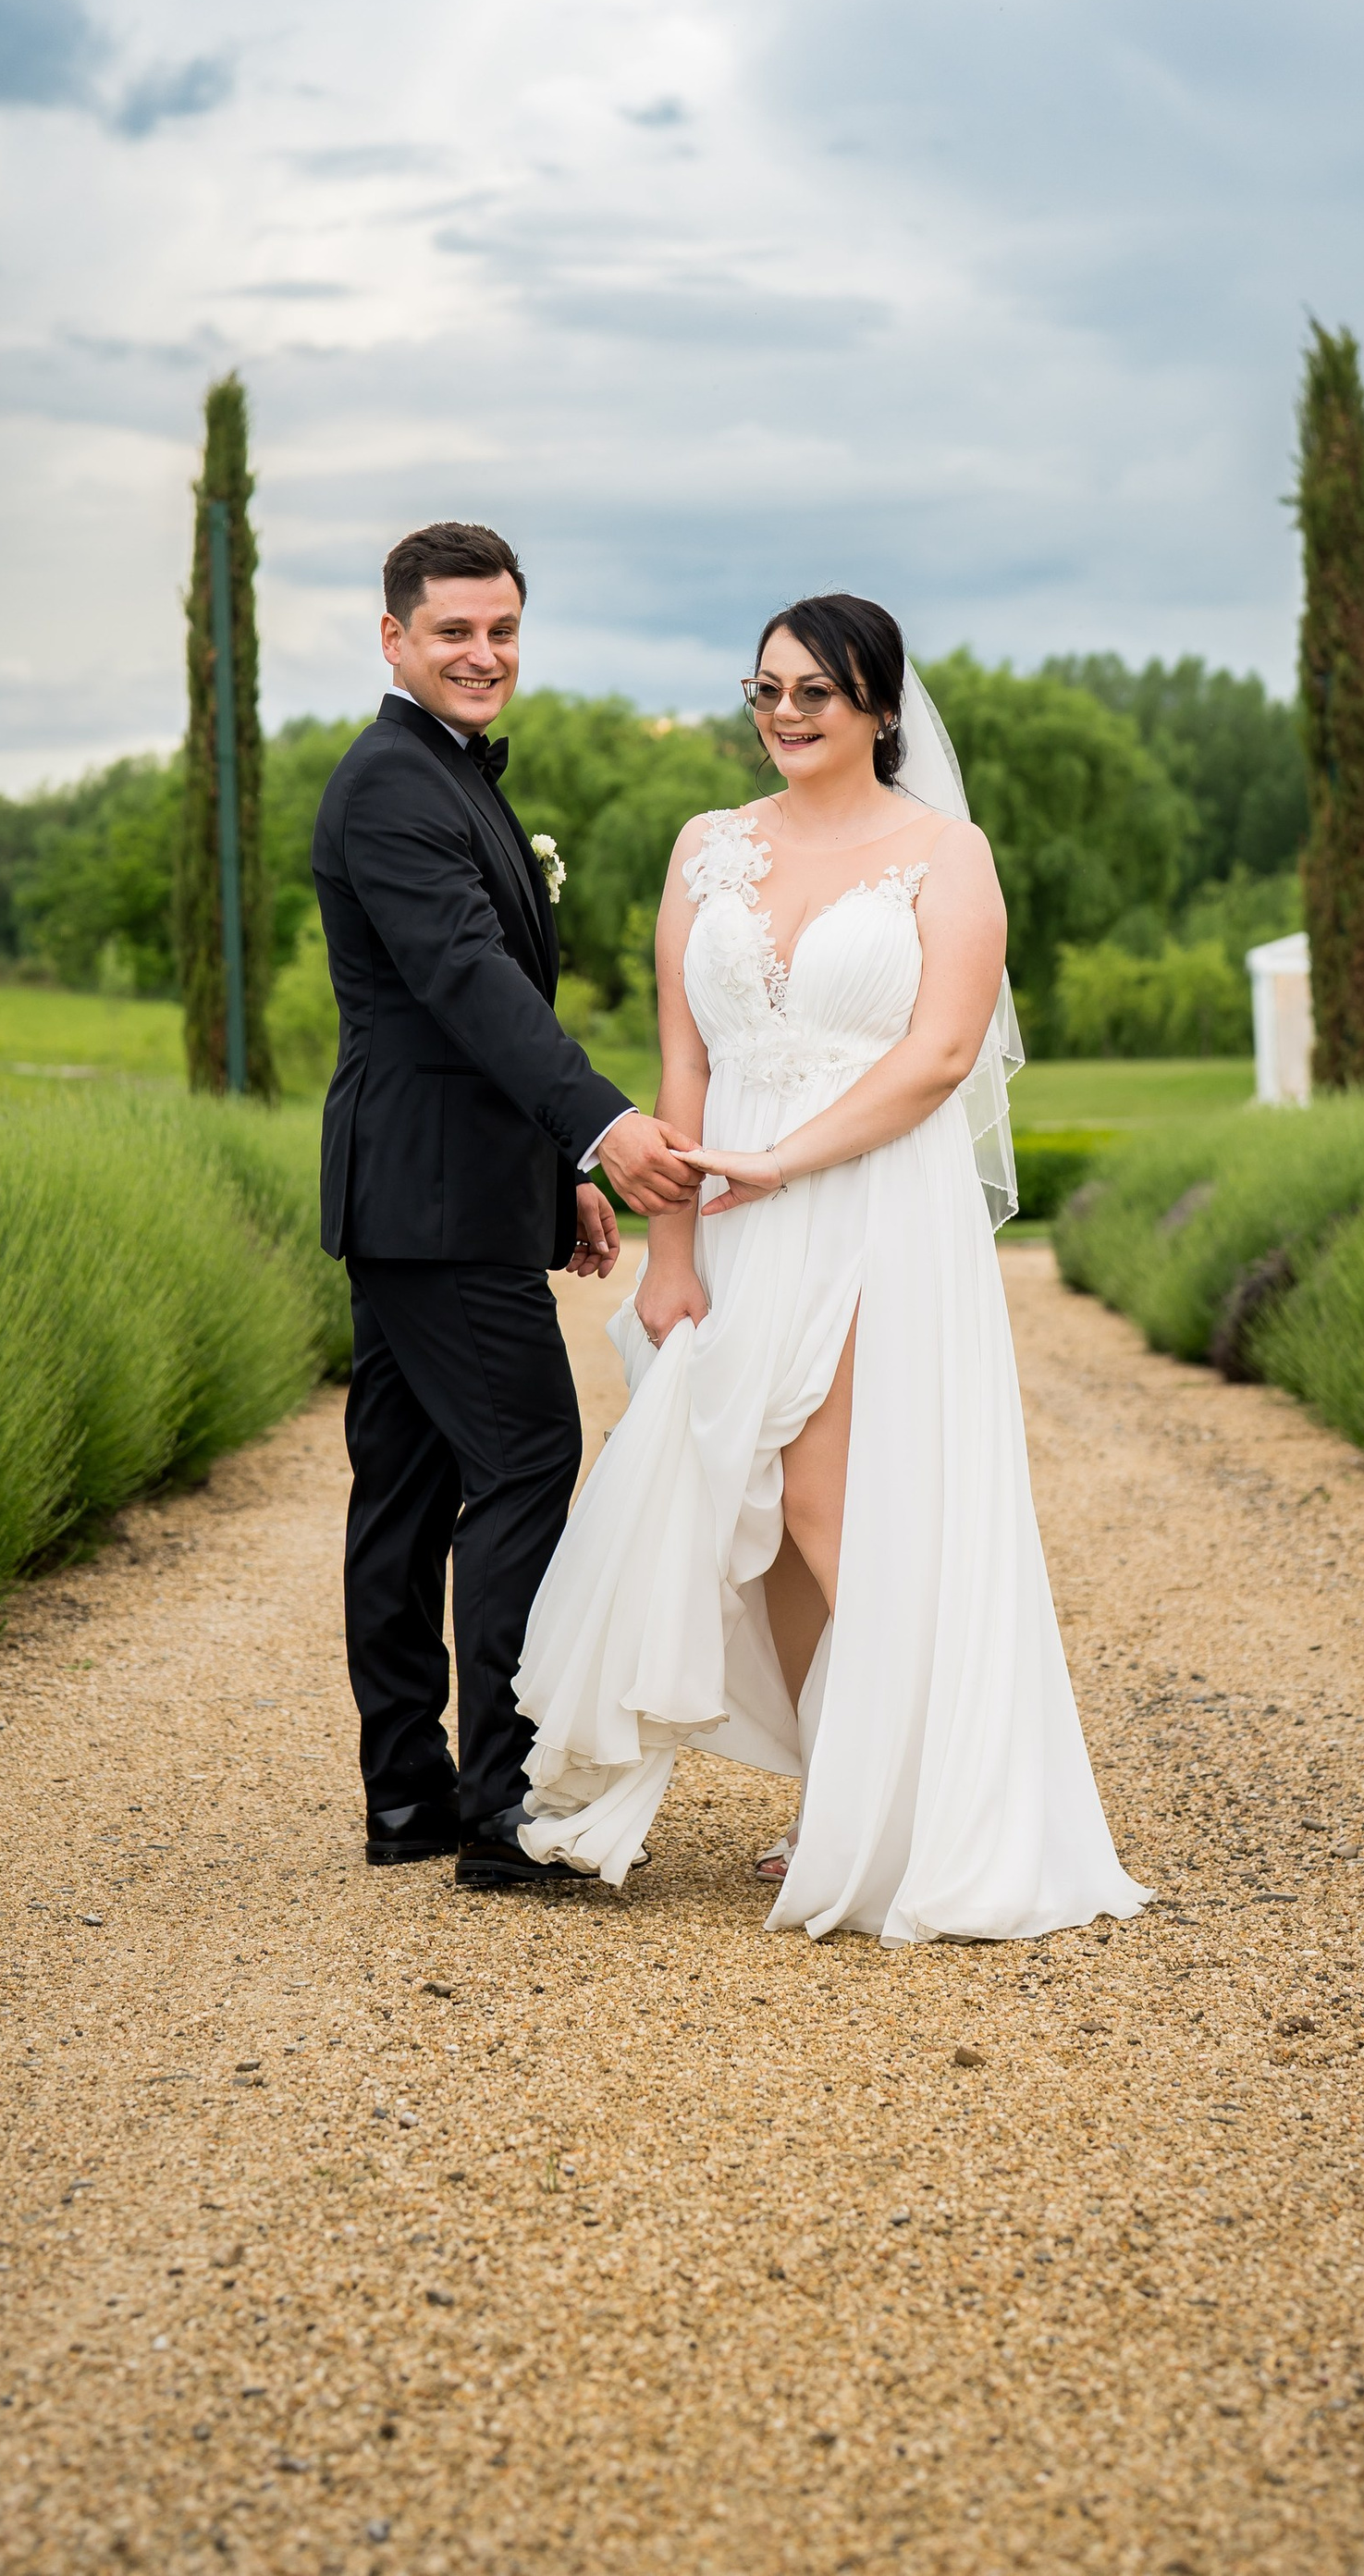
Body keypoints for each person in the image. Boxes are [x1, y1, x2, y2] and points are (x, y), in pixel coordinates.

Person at [513, 592, 1149, 1944]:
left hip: (871, 1199)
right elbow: (684, 1058)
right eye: (767, 692)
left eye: (815, 693)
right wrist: (674, 1249)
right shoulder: (706, 849)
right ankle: (834, 1785)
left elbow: (934, 1057)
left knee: (819, 1495)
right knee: (761, 1523)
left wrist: (785, 1164)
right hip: (731, 1198)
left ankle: (933, 1807)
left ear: (879, 706)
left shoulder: (946, 854)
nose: (786, 716)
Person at [313, 521, 702, 1891]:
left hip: (441, 1194)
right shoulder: (393, 788)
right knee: (529, 1465)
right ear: (395, 641)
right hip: (430, 1202)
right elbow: (472, 987)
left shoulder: (441, 777)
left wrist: (562, 1184)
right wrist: (602, 1125)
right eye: (455, 632)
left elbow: (486, 1015)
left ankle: (411, 1803)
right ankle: (499, 1809)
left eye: (503, 631)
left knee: (409, 1495)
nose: (484, 655)